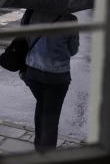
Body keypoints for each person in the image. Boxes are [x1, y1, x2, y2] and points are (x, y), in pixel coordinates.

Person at [22, 9, 79, 152]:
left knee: (41, 105)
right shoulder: (70, 20)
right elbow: (73, 50)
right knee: (51, 119)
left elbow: (24, 38)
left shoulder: (31, 13)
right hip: (57, 77)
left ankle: (38, 146)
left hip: (32, 72)